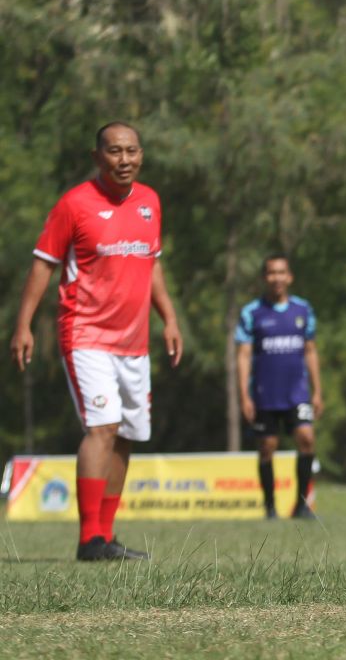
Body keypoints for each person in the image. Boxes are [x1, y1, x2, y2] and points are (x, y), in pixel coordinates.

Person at [9, 122, 183, 561]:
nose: (124, 160)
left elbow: (152, 265)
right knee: (101, 427)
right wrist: (23, 325)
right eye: (114, 152)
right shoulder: (74, 204)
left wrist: (171, 319)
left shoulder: (150, 202)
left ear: (141, 155)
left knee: (125, 434)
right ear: (97, 156)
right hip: (85, 333)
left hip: (134, 340)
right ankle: (89, 540)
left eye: (131, 151)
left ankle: (105, 537)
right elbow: (43, 265)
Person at [236, 254, 323, 520]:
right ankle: (270, 507)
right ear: (265, 278)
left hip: (297, 391)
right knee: (267, 446)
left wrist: (318, 391)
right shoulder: (252, 313)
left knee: (306, 439)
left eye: (281, 272)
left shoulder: (303, 310)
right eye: (271, 273)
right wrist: (244, 396)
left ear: (290, 277)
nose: (277, 278)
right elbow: (243, 355)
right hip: (265, 393)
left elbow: (310, 350)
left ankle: (301, 506)